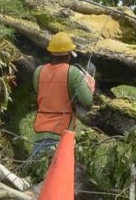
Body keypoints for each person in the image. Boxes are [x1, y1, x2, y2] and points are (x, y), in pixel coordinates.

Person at [29, 32, 96, 162]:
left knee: (38, 176)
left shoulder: (39, 71)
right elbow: (87, 101)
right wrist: (90, 86)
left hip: (40, 132)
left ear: (51, 53)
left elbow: (41, 92)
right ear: (69, 55)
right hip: (61, 134)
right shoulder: (73, 73)